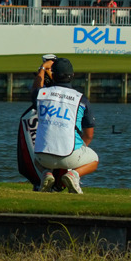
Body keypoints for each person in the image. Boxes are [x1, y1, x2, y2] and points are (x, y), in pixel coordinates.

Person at [31, 56, 98, 194]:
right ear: (72, 76)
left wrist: (43, 69)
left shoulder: (41, 94)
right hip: (70, 157)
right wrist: (79, 150)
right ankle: (73, 175)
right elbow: (89, 134)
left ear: (53, 75)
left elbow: (36, 88)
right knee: (94, 160)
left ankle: (46, 174)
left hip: (42, 157)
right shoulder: (81, 99)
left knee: (35, 155)